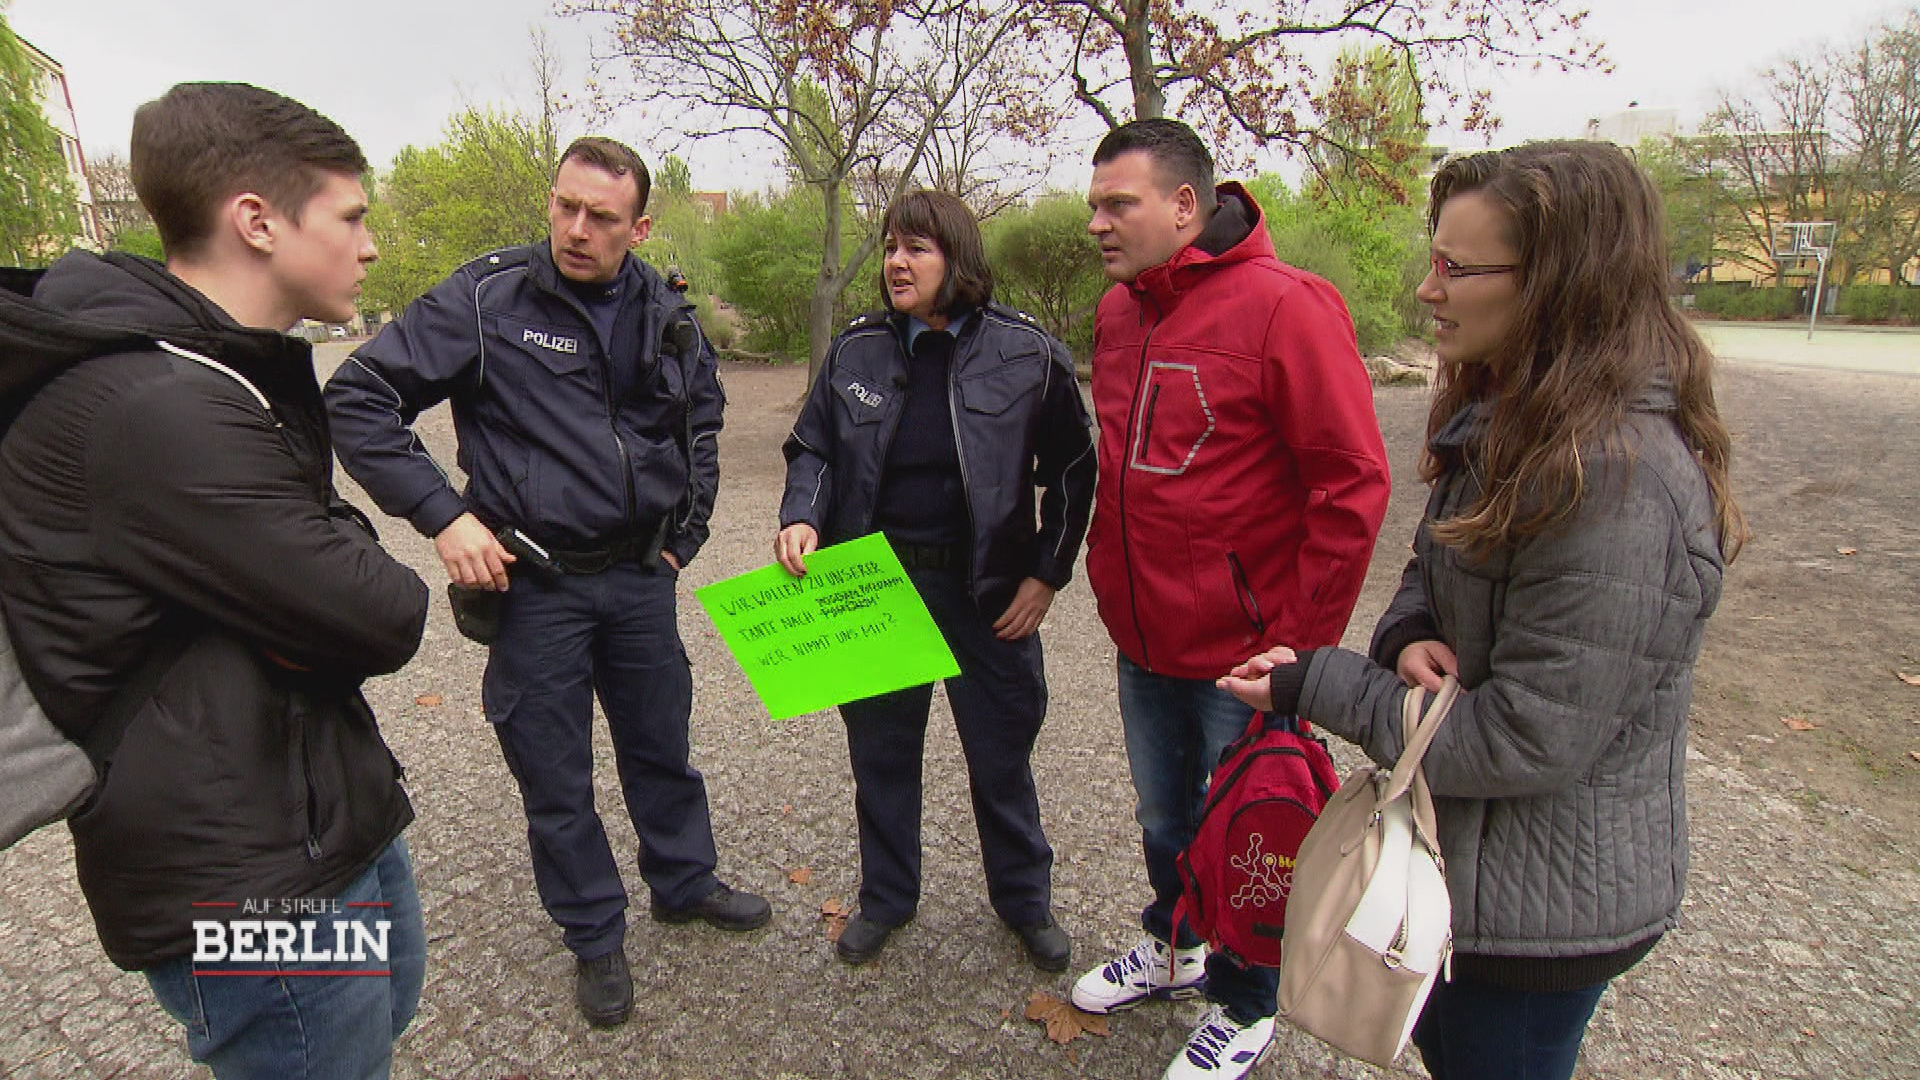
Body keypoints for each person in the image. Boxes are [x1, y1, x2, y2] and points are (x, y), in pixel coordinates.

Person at [1218, 140, 1745, 1080]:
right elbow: (1433, 565)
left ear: (1559, 282)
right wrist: (1411, 632)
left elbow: (1525, 739)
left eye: (1455, 268)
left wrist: (1320, 682)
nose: (1428, 290)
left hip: (1541, 923)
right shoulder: (1518, 416)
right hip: (1473, 874)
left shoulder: (1616, 480)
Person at [0, 83, 429, 1078]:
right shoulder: (149, 402)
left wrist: (305, 579)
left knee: (381, 1019)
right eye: (353, 216)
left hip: (323, 817)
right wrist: (314, 584)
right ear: (257, 222)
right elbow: (384, 612)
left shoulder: (217, 368)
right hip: (238, 873)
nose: (369, 245)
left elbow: (321, 565)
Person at [324, 136, 768, 1028]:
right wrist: (446, 516)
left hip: (643, 577)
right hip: (538, 586)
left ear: (639, 227)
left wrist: (688, 532)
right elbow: (358, 398)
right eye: (565, 205)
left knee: (661, 748)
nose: (575, 228)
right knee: (555, 775)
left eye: (601, 217)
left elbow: (704, 419)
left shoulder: (665, 308)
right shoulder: (490, 298)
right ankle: (595, 933)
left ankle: (683, 881)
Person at [1069, 118, 1392, 1079]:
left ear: (1185, 204)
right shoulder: (1119, 312)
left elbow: (1353, 485)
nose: (1097, 223)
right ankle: (1174, 944)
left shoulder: (1288, 307)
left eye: (1116, 204)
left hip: (1244, 657)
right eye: (1092, 204)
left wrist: (1296, 653)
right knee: (1166, 819)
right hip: (1143, 635)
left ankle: (1247, 1004)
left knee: (1253, 830)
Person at [774, 189, 1096, 971]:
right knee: (880, 755)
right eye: (890, 246)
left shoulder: (1025, 352)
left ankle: (1024, 902)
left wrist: (1047, 575)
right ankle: (888, 897)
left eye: (916, 248)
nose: (895, 262)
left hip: (985, 592)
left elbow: (1077, 468)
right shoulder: (858, 350)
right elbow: (813, 446)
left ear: (958, 257)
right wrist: (801, 514)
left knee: (1000, 756)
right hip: (877, 587)